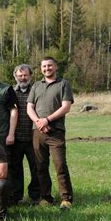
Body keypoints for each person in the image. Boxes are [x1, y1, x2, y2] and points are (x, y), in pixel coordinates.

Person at [27, 56, 74, 210]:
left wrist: (47, 120)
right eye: (44, 66)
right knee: (40, 166)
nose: (46, 69)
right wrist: (39, 122)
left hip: (56, 132)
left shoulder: (63, 84)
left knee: (60, 164)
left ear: (55, 67)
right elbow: (29, 107)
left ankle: (66, 198)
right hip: (38, 131)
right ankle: (46, 197)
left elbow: (66, 107)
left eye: (49, 66)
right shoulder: (36, 85)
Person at [12, 64, 40, 204]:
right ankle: (17, 196)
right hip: (16, 138)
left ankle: (35, 196)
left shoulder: (36, 90)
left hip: (33, 137)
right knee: (16, 169)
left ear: (30, 76)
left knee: (36, 168)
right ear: (15, 76)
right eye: (20, 75)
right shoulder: (10, 91)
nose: (23, 78)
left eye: (25, 75)